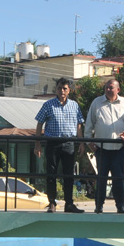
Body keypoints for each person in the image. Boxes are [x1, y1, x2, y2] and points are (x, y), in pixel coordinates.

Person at [85, 79, 124, 214]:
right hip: (101, 148)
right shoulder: (97, 102)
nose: (108, 89)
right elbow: (89, 124)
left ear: (118, 90)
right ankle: (99, 206)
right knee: (101, 179)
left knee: (118, 179)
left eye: (111, 87)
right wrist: (89, 142)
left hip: (119, 148)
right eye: (106, 87)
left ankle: (120, 206)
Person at [35, 78, 85, 213]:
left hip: (69, 143)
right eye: (59, 88)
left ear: (69, 90)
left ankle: (69, 203)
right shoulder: (48, 105)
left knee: (69, 175)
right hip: (52, 143)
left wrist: (81, 142)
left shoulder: (74, 105)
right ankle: (52, 203)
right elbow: (39, 123)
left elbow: (79, 124)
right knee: (51, 174)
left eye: (65, 88)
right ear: (56, 89)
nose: (62, 91)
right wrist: (37, 143)